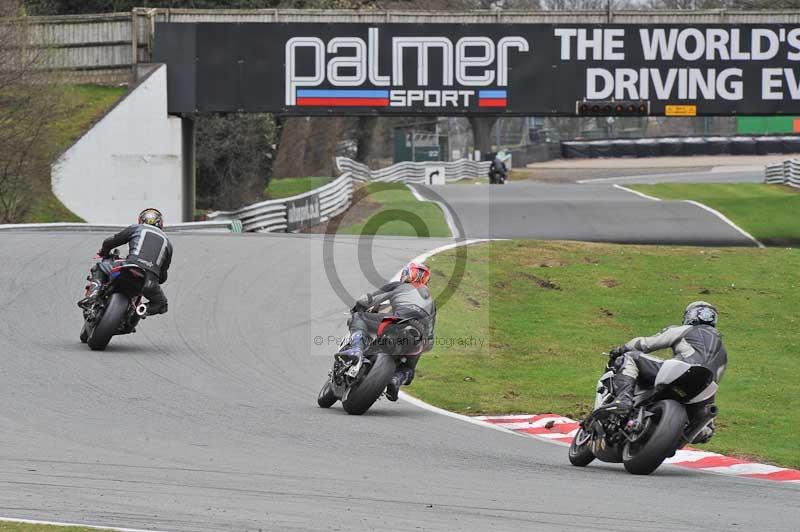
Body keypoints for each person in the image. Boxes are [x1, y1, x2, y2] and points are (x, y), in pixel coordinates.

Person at [600, 301, 727, 442]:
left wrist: (622, 349)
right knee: (706, 430)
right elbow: (715, 380)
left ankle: (623, 400)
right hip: (704, 389)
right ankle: (701, 429)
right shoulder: (723, 352)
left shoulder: (685, 329)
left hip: (682, 370)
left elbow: (645, 344)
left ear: (690, 315)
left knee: (630, 356)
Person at [338, 261, 436, 401]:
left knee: (359, 317)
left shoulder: (400, 286)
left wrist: (357, 307)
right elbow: (430, 339)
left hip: (397, 321)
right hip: (418, 335)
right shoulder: (432, 302)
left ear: (407, 274)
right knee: (408, 369)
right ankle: (396, 380)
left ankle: (355, 348)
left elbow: (367, 299)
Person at [78, 208, 173, 316]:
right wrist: (155, 277)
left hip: (128, 267)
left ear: (141, 220)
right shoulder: (168, 244)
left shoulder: (136, 228)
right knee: (162, 304)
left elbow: (111, 241)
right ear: (161, 224)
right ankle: (139, 311)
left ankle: (92, 297)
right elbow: (163, 275)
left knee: (99, 267)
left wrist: (104, 251)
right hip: (149, 281)